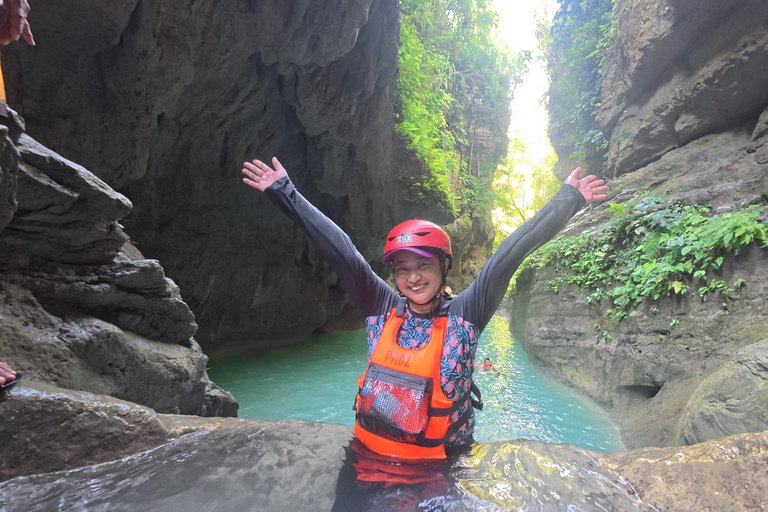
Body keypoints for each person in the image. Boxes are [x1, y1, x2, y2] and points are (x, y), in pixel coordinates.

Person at [242, 157, 606, 461]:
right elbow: (342, 252)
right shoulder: (380, 306)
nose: (413, 278)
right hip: (370, 458)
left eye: (423, 266)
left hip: (442, 468)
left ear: (443, 267)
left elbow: (506, 258)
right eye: (402, 269)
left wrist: (568, 200)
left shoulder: (466, 314)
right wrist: (284, 191)